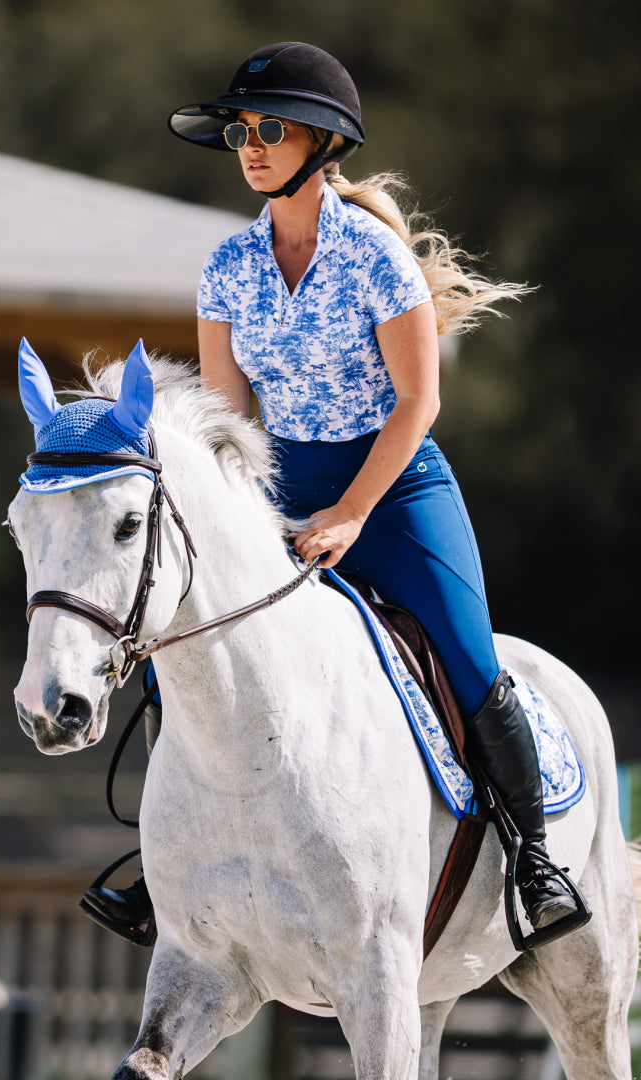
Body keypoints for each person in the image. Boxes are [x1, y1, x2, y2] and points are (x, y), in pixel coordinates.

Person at [82, 41, 584, 945]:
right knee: (176, 653)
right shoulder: (227, 266)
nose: (250, 147)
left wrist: (353, 512)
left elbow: (420, 401)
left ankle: (536, 861)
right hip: (279, 486)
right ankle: (169, 869)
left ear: (323, 142)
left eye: (269, 130)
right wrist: (237, 517)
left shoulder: (377, 260)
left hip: (395, 487)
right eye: (241, 132)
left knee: (470, 660)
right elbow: (228, 417)